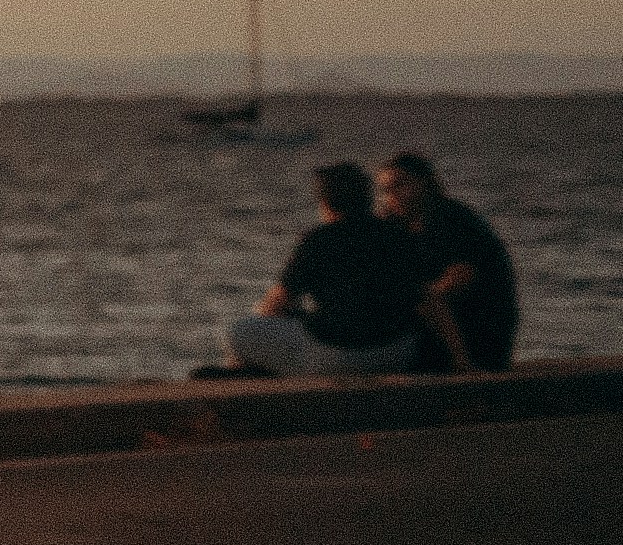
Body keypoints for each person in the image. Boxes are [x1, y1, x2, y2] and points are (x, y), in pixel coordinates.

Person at [211, 161, 430, 378]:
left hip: (341, 356)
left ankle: (244, 374)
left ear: (326, 203)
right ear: (367, 198)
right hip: (397, 353)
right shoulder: (397, 235)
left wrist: (264, 325)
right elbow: (426, 298)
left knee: (239, 332)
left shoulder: (319, 239)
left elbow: (277, 302)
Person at [380, 151, 521, 371]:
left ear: (424, 183)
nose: (393, 195)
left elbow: (457, 280)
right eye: (387, 190)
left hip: (480, 332)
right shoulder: (397, 225)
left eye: (401, 185)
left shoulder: (454, 221)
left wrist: (408, 302)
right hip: (439, 330)